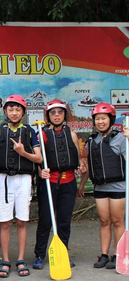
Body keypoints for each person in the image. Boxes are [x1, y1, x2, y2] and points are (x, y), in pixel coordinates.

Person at [0, 94, 42, 278]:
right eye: (11, 109)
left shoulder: (29, 131)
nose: (14, 112)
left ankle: (20, 259)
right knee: (4, 222)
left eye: (18, 109)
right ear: (5, 111)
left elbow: (39, 158)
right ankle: (5, 259)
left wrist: (22, 152)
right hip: (3, 179)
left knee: (21, 221)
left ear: (23, 112)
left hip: (23, 179)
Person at [33, 100, 84, 270]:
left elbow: (78, 158)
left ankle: (63, 251)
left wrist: (81, 165)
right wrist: (40, 171)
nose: (56, 115)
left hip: (68, 182)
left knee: (64, 220)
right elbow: (36, 159)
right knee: (46, 220)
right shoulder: (42, 134)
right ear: (48, 116)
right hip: (49, 182)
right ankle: (40, 254)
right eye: (53, 112)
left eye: (60, 112)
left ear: (64, 115)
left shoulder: (72, 134)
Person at [77, 102, 126, 269]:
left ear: (110, 119)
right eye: (97, 119)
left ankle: (118, 254)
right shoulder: (92, 140)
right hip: (100, 188)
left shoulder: (121, 138)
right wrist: (82, 185)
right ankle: (104, 255)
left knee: (117, 221)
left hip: (118, 187)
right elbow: (91, 166)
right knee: (104, 221)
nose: (101, 122)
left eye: (104, 118)